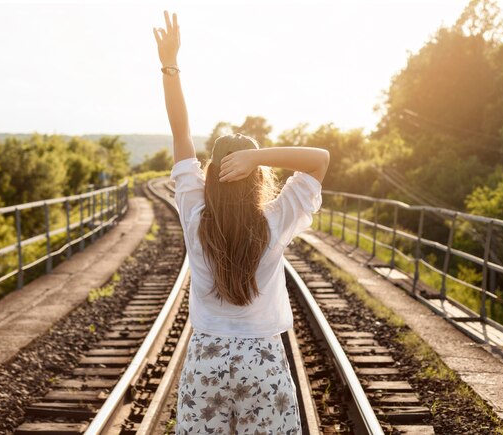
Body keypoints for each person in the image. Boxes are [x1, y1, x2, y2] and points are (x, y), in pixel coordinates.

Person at [153, 10, 330, 434]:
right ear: (259, 180)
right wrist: (258, 156)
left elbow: (180, 136)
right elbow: (319, 159)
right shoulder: (276, 219)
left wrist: (170, 64)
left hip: (206, 358)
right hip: (263, 361)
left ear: (210, 174)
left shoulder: (195, 213)